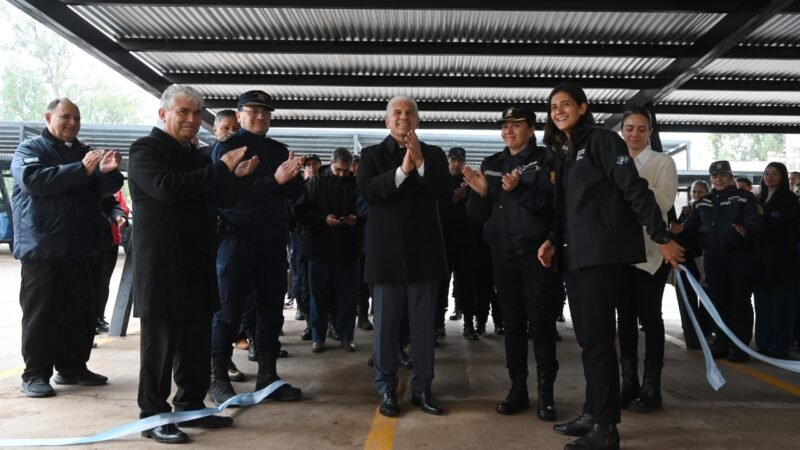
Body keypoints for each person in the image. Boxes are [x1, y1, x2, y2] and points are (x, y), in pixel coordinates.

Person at [539, 83, 684, 450]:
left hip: (602, 257)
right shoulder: (567, 151)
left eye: (566, 104)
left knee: (600, 342)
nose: (558, 111)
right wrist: (553, 240)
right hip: (577, 258)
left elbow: (634, 189)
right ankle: (593, 412)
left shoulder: (604, 142)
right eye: (554, 106)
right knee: (590, 341)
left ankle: (605, 430)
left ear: (583, 108)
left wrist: (662, 236)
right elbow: (567, 209)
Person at [128, 84, 258, 444]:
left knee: (195, 342)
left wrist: (236, 177)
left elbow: (217, 196)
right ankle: (153, 415)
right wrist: (219, 171)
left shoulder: (199, 156)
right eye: (183, 112)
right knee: (161, 346)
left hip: (198, 261)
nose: (190, 119)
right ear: (163, 114)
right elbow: (168, 188)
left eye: (196, 113)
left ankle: (191, 405)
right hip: (162, 265)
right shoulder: (145, 150)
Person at [11, 98, 122, 398]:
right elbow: (35, 181)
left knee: (81, 314)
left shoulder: (87, 154)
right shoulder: (30, 150)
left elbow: (104, 191)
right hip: (43, 249)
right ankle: (35, 374)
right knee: (42, 315)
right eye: (66, 117)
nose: (72, 123)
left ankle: (73, 368)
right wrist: (82, 170)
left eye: (77, 118)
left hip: (84, 250)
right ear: (48, 117)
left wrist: (109, 173)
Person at [463, 106, 560, 421]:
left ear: (531, 129)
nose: (509, 131)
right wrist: (478, 196)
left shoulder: (547, 161)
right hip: (502, 255)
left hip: (537, 255)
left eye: (516, 125)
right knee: (512, 324)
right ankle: (518, 388)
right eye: (505, 126)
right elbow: (477, 217)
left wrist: (520, 190)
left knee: (542, 324)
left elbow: (553, 207)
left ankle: (546, 393)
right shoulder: (492, 164)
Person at [209, 90, 304, 406]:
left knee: (270, 310)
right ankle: (218, 378)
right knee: (227, 310)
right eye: (253, 111)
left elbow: (295, 194)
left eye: (266, 113)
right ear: (239, 116)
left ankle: (268, 375)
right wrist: (274, 182)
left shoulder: (277, 150)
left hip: (272, 240)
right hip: (235, 239)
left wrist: (294, 177)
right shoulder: (225, 149)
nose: (261, 117)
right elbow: (227, 198)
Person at [357, 95, 450, 417]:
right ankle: (386, 389)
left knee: (423, 328)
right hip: (386, 258)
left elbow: (443, 190)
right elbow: (368, 191)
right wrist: (402, 170)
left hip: (424, 257)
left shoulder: (435, 155)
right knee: (386, 328)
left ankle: (423, 388)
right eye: (397, 113)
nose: (403, 117)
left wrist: (420, 162)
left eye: (409, 113)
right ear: (387, 121)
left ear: (417, 121)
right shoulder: (371, 155)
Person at [616, 107, 678, 413]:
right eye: (629, 128)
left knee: (650, 317)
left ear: (650, 132)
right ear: (622, 131)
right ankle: (629, 381)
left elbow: (664, 201)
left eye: (641, 129)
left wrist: (627, 189)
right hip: (619, 252)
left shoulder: (662, 162)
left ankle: (652, 385)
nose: (635, 134)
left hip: (652, 252)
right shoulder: (614, 161)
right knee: (624, 318)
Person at [675, 161, 764, 363]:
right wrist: (673, 237)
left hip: (739, 259)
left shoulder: (744, 198)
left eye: (723, 175)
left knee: (739, 303)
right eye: (715, 177)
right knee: (717, 303)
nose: (718, 179)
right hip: (713, 260)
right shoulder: (703, 202)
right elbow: (688, 232)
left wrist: (746, 231)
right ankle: (722, 342)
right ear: (711, 179)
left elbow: (756, 225)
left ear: (731, 176)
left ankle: (740, 348)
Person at [293, 147, 362, 352]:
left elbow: (367, 211)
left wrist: (355, 219)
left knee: (348, 298)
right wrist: (323, 220)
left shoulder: (357, 186)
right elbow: (299, 210)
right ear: (330, 165)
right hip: (319, 249)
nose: (342, 174)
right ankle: (318, 337)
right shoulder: (315, 183)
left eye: (346, 170)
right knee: (319, 297)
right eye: (338, 170)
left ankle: (346, 336)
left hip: (348, 250)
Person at [753, 162, 799, 359]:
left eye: (774, 174)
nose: (769, 177)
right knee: (763, 305)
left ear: (782, 177)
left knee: (782, 307)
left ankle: (779, 347)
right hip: (761, 261)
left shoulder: (789, 199)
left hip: (783, 261)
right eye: (766, 173)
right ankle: (763, 344)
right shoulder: (759, 198)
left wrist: (766, 217)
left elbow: (788, 227)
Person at [673, 180, 713, 349]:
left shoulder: (711, 209)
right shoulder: (686, 211)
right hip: (686, 260)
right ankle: (691, 334)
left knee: (706, 296)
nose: (697, 195)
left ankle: (704, 329)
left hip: (703, 259)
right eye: (695, 192)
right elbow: (678, 233)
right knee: (686, 297)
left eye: (701, 192)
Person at [96, 191, 129, 334]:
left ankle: (98, 317)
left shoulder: (114, 190)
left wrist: (119, 216)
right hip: (92, 243)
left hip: (110, 242)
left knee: (103, 283)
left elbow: (122, 209)